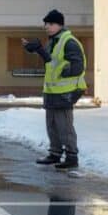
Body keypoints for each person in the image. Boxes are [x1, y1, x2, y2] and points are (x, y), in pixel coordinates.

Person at [22, 9, 86, 170]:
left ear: (60, 24)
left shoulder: (68, 41)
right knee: (52, 125)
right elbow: (50, 62)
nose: (47, 27)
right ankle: (55, 153)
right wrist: (38, 50)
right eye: (46, 24)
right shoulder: (53, 41)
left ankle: (72, 157)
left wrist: (63, 72)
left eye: (50, 24)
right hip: (52, 92)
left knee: (64, 126)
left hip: (66, 92)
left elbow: (77, 66)